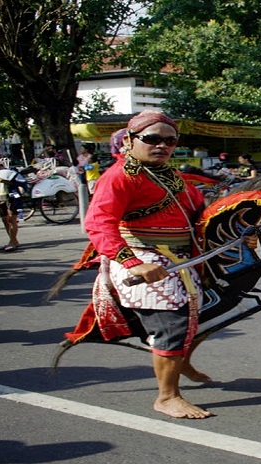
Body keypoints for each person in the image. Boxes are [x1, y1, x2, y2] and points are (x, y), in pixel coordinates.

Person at [83, 110, 225, 419]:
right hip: (142, 257)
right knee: (171, 324)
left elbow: (199, 215)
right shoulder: (119, 176)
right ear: (131, 140)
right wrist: (133, 263)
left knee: (210, 312)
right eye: (152, 139)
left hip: (182, 260)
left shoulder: (170, 175)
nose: (162, 145)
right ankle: (167, 396)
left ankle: (180, 361)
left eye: (170, 140)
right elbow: (98, 224)